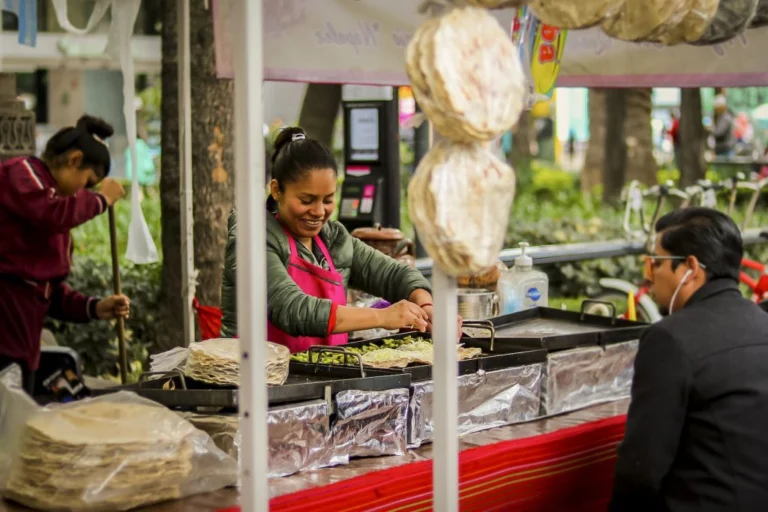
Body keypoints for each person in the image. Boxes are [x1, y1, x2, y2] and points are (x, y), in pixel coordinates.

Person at [221, 127, 461, 351]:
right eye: (306, 200)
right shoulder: (251, 239)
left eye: (327, 200)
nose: (318, 211)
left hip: (322, 375)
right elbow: (291, 308)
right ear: (276, 190)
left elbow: (394, 275)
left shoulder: (334, 240)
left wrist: (427, 307)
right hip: (255, 375)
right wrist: (382, 317)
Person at [610, 208, 768, 512]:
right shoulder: (763, 324)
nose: (649, 276)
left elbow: (642, 467)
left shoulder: (670, 339)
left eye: (656, 263)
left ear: (690, 268)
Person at [0, 115, 131, 395]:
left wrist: (94, 307)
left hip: (24, 339)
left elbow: (47, 290)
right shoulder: (22, 173)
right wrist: (100, 200)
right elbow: (50, 213)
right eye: (87, 183)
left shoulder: (53, 213)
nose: (83, 193)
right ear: (74, 160)